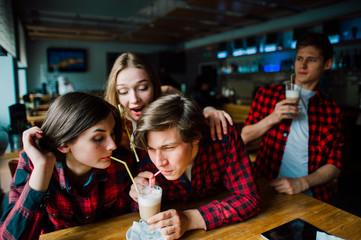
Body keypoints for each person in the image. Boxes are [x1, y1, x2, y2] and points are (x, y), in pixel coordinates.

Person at [0, 92, 133, 239]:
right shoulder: (33, 164)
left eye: (112, 133)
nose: (112, 145)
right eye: (98, 138)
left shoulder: (119, 162)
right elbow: (9, 237)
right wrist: (42, 169)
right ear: (63, 144)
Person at [130, 94, 260, 240]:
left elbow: (249, 198)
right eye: (151, 149)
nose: (159, 161)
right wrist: (137, 194)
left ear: (195, 137)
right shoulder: (143, 153)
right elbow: (137, 212)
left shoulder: (222, 138)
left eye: (169, 147)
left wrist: (190, 219)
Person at [241, 32, 344, 202]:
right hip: (266, 188)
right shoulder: (267, 94)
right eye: (299, 58)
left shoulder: (332, 110)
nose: (302, 65)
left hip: (311, 195)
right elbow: (244, 136)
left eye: (311, 60)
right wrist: (273, 117)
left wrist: (302, 183)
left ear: (327, 64)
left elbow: (335, 164)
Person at [104, 52, 232, 149]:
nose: (134, 100)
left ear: (154, 85)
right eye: (123, 91)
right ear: (116, 94)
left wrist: (208, 110)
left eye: (142, 88)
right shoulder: (110, 121)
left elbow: (194, 116)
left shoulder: (168, 95)